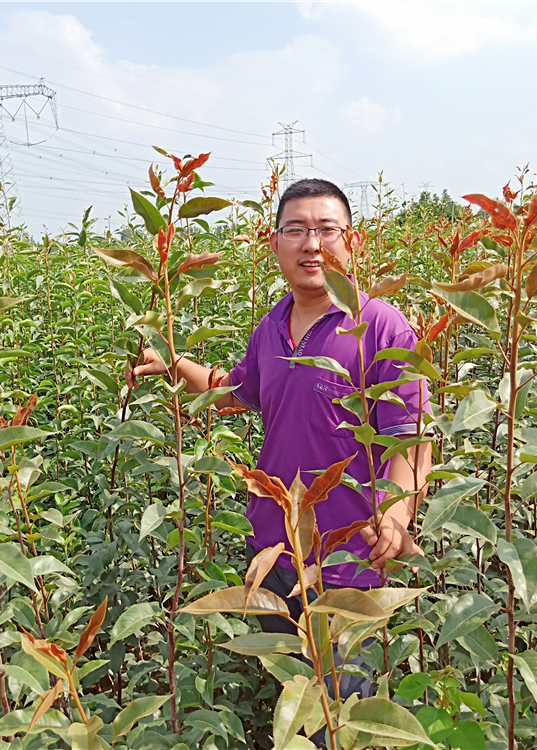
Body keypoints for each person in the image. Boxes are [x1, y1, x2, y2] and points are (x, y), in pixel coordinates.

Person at [134, 178, 431, 697]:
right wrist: (173, 364)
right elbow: (235, 392)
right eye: (295, 230)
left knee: (341, 715)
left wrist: (398, 514)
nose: (311, 244)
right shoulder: (270, 330)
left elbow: (410, 439)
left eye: (326, 230)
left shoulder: (382, 328)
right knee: (294, 701)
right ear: (274, 245)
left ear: (351, 241)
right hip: (275, 551)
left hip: (349, 563)